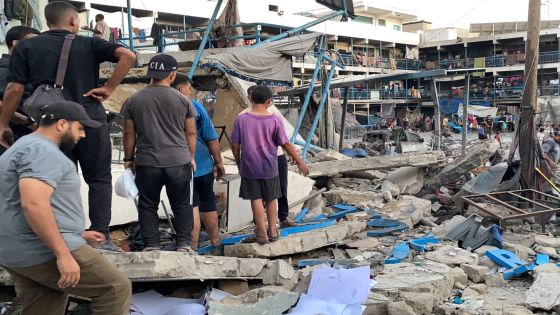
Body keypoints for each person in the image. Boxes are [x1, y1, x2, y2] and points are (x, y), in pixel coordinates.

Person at [0, 1, 136, 251]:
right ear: (73, 21)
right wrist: (109, 88)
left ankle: (64, 235)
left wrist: (2, 123)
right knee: (99, 179)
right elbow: (128, 56)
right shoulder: (89, 43)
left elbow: (14, 89)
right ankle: (101, 237)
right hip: (89, 120)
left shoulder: (27, 46)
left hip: (51, 125)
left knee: (56, 179)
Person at [0, 101, 131, 314]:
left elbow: (22, 203)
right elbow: (33, 204)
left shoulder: (25, 146)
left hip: (16, 248)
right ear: (61, 124)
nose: (83, 135)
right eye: (80, 128)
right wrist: (63, 254)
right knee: (114, 288)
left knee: (44, 304)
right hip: (40, 250)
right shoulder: (42, 151)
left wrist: (77, 233)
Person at [122, 54, 197, 253]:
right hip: (178, 161)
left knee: (147, 205)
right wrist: (191, 157)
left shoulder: (133, 99)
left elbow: (129, 132)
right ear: (172, 75)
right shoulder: (183, 100)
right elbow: (190, 132)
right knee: (181, 204)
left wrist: (129, 159)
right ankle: (183, 244)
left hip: (147, 162)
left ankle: (152, 245)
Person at [231, 86, 308, 244]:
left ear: (251, 99)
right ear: (269, 101)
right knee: (271, 198)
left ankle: (261, 234)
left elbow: (235, 144)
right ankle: (272, 231)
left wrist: (238, 162)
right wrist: (299, 160)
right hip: (269, 166)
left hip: (249, 166)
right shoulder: (274, 119)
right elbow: (285, 143)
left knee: (256, 199)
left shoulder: (241, 119)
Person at [173, 77, 224, 250]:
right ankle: (215, 242)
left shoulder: (163, 108)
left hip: (179, 168)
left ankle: (192, 248)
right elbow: (211, 138)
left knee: (190, 206)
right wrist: (219, 162)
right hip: (203, 167)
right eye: (188, 87)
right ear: (181, 89)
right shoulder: (196, 107)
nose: (190, 91)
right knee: (208, 201)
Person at [244, 85, 296, 227]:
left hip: (276, 156)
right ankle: (262, 223)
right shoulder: (244, 116)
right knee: (261, 194)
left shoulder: (273, 113)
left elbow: (283, 138)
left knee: (280, 188)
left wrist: (289, 152)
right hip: (258, 159)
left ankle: (282, 217)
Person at [0, 26, 40, 145]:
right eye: (33, 43)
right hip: (13, 136)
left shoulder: (28, 71)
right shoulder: (5, 71)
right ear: (16, 44)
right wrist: (28, 122)